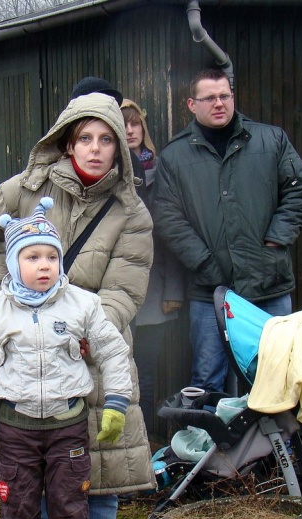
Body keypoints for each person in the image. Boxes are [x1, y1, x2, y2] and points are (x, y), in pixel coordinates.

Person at [0, 91, 156, 519]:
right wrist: (5, 297)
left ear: (120, 148)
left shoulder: (132, 214)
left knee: (100, 482)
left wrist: (74, 325)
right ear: (67, 144)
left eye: (106, 139)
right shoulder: (26, 189)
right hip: (29, 361)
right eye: (85, 138)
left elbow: (123, 292)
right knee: (37, 482)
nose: (95, 148)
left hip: (94, 355)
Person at [0, 199, 132, 519]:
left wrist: (117, 402)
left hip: (67, 425)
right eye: (32, 256)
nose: (44, 265)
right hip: (15, 427)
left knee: (69, 498)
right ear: (12, 263)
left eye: (52, 256)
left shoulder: (83, 305)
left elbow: (112, 351)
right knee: (17, 501)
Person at [152, 67, 302, 394]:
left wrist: (276, 238)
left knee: (274, 378)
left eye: (224, 95)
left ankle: (272, 447)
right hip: (209, 292)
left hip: (268, 285)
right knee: (207, 382)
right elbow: (167, 217)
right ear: (191, 104)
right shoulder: (175, 155)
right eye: (209, 97)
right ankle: (215, 446)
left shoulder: (270, 140)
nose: (219, 103)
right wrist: (203, 262)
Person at [120, 99, 184, 435]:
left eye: (135, 123)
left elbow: (173, 233)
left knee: (145, 370)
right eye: (123, 123)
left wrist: (173, 289)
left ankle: (144, 441)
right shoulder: (110, 173)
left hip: (155, 291)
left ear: (143, 129)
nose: (129, 130)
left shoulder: (162, 171)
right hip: (117, 292)